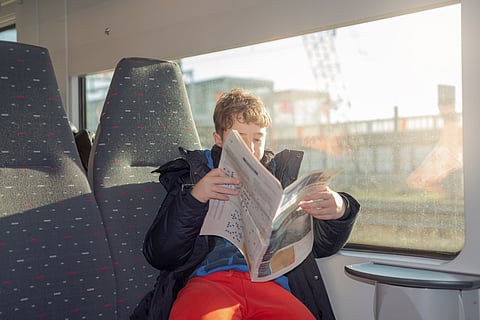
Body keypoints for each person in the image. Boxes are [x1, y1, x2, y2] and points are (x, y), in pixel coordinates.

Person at [131, 88, 360, 320]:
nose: (251, 149)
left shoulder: (281, 178)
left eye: (258, 139)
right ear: (218, 139)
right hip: (208, 281)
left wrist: (340, 211)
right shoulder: (193, 175)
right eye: (239, 138)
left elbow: (321, 247)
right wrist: (194, 199)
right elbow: (159, 254)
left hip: (270, 284)